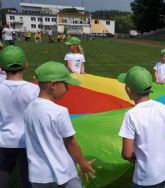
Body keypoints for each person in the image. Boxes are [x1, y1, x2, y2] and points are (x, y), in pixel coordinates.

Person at [24, 61, 97, 187]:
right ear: (53, 85)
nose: (67, 89)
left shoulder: (29, 109)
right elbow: (71, 143)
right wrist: (83, 163)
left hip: (38, 176)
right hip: (64, 173)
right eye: (66, 85)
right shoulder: (59, 111)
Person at [118, 66, 165, 187]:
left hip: (147, 176)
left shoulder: (131, 115)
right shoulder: (162, 107)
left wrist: (133, 157)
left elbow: (127, 154)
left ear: (129, 90)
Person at [0, 46, 40, 188]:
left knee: (4, 168)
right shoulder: (34, 90)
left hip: (4, 140)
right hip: (27, 141)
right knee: (28, 174)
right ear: (26, 66)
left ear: (2, 67)